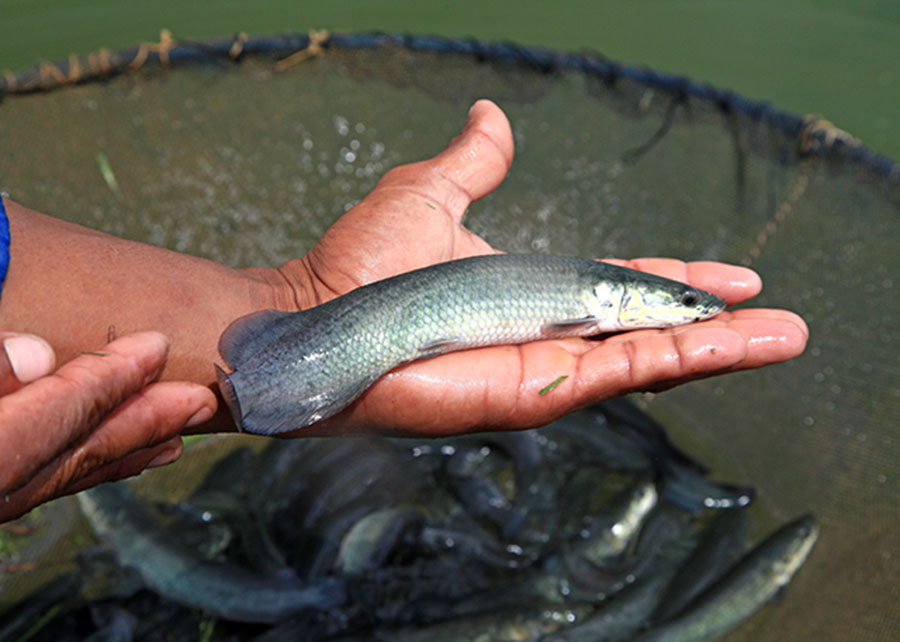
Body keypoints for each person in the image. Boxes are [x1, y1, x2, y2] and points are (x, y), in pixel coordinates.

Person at [0, 100, 808, 523]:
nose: (687, 312)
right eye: (679, 304)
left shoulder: (593, 301)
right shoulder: (587, 300)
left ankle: (283, 346)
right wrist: (294, 307)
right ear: (617, 297)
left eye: (688, 308)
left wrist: (292, 304)